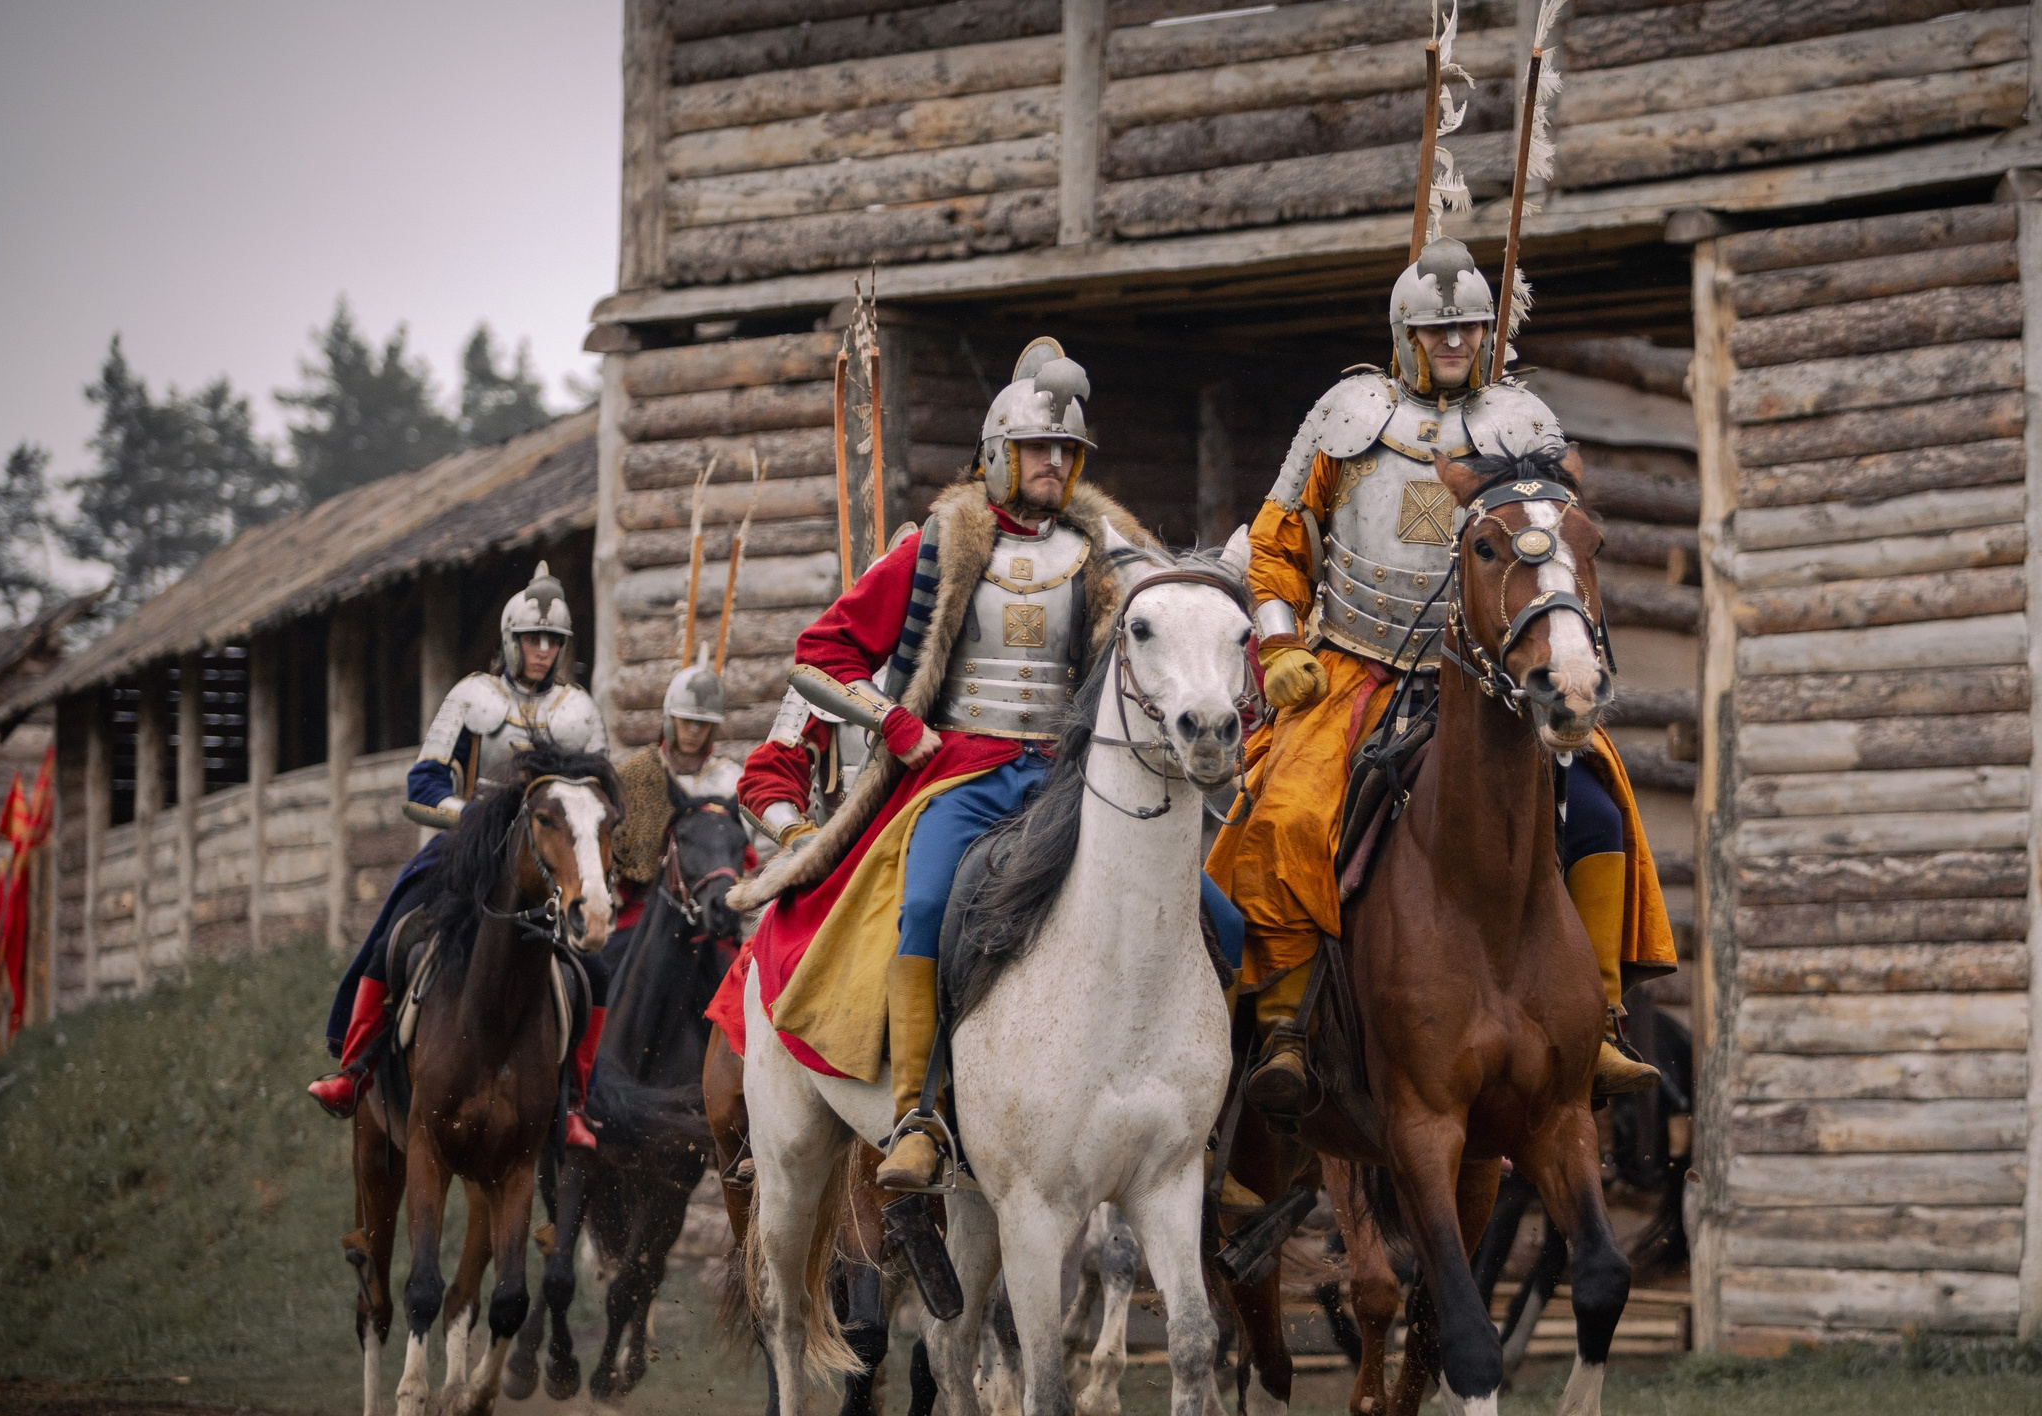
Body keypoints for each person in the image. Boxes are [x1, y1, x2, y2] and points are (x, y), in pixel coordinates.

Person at [714, 338, 1247, 1193]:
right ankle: (918, 1115)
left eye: (1067, 450)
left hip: (1071, 780)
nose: (1055, 464)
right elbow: (818, 655)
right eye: (1039, 448)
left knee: (1221, 920)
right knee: (926, 905)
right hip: (959, 772)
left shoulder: (1106, 555)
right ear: (999, 452)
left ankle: (1206, 1135)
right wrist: (893, 721)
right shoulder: (937, 544)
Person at [1206, 239, 1676, 1118]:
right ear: (1404, 334)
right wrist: (1279, 646)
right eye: (1436, 328)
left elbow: (1558, 548)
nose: (1454, 341)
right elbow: (1277, 542)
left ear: (1488, 332)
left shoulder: (1524, 424)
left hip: (1497, 680)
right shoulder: (1346, 415)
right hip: (1357, 665)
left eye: (1467, 326)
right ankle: (1284, 1029)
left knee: (1599, 808)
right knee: (1289, 810)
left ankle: (1601, 1022)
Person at [308, 560, 610, 1142]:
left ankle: (575, 1100)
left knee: (595, 965)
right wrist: (472, 817)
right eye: (532, 638)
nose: (543, 650)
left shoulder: (580, 712)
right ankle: (356, 1067)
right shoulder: (472, 697)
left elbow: (595, 791)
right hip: (470, 850)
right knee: (397, 928)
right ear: (511, 640)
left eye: (552, 641)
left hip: (547, 862)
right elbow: (424, 781)